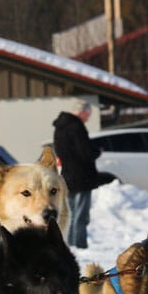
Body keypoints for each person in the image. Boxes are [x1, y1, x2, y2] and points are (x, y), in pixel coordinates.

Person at [52, 99, 102, 249]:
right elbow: (85, 152)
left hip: (68, 175)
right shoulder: (76, 126)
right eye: (88, 114)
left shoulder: (59, 127)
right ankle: (79, 246)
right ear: (83, 111)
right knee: (81, 215)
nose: (88, 118)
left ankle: (70, 244)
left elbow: (61, 151)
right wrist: (97, 152)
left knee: (71, 214)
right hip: (82, 177)